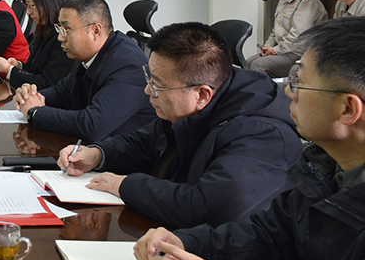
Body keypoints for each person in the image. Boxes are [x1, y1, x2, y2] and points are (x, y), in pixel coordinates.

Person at [133, 18, 365, 260]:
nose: (289, 91)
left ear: (348, 109)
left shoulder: (266, 133)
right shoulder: (326, 164)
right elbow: (272, 237)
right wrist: (185, 242)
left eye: (300, 82)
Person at [58, 22, 301, 228]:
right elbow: (144, 142)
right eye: (149, 78)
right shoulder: (196, 104)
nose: (147, 90)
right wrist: (98, 154)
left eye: (158, 85)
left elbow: (205, 207)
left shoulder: (261, 135)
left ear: (202, 94)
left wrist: (125, 185)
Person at [15, 0, 153, 141]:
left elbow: (92, 125)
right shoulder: (89, 55)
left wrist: (36, 112)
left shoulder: (127, 65)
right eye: (59, 28)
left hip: (124, 151)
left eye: (67, 29)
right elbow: (63, 92)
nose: (60, 37)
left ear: (95, 31)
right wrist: (32, 96)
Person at [0, 0, 72, 90]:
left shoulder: (63, 36)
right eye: (26, 6)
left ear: (48, 2)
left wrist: (9, 70)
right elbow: (38, 69)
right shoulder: (45, 29)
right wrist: (19, 66)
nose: (28, 12)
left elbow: (47, 83)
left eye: (32, 6)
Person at [246, 0, 327, 78]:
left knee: (258, 64)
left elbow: (298, 34)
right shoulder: (283, 1)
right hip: (283, 51)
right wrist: (267, 47)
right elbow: (275, 32)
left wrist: (275, 50)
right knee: (249, 61)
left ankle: (268, 90)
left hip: (299, 52)